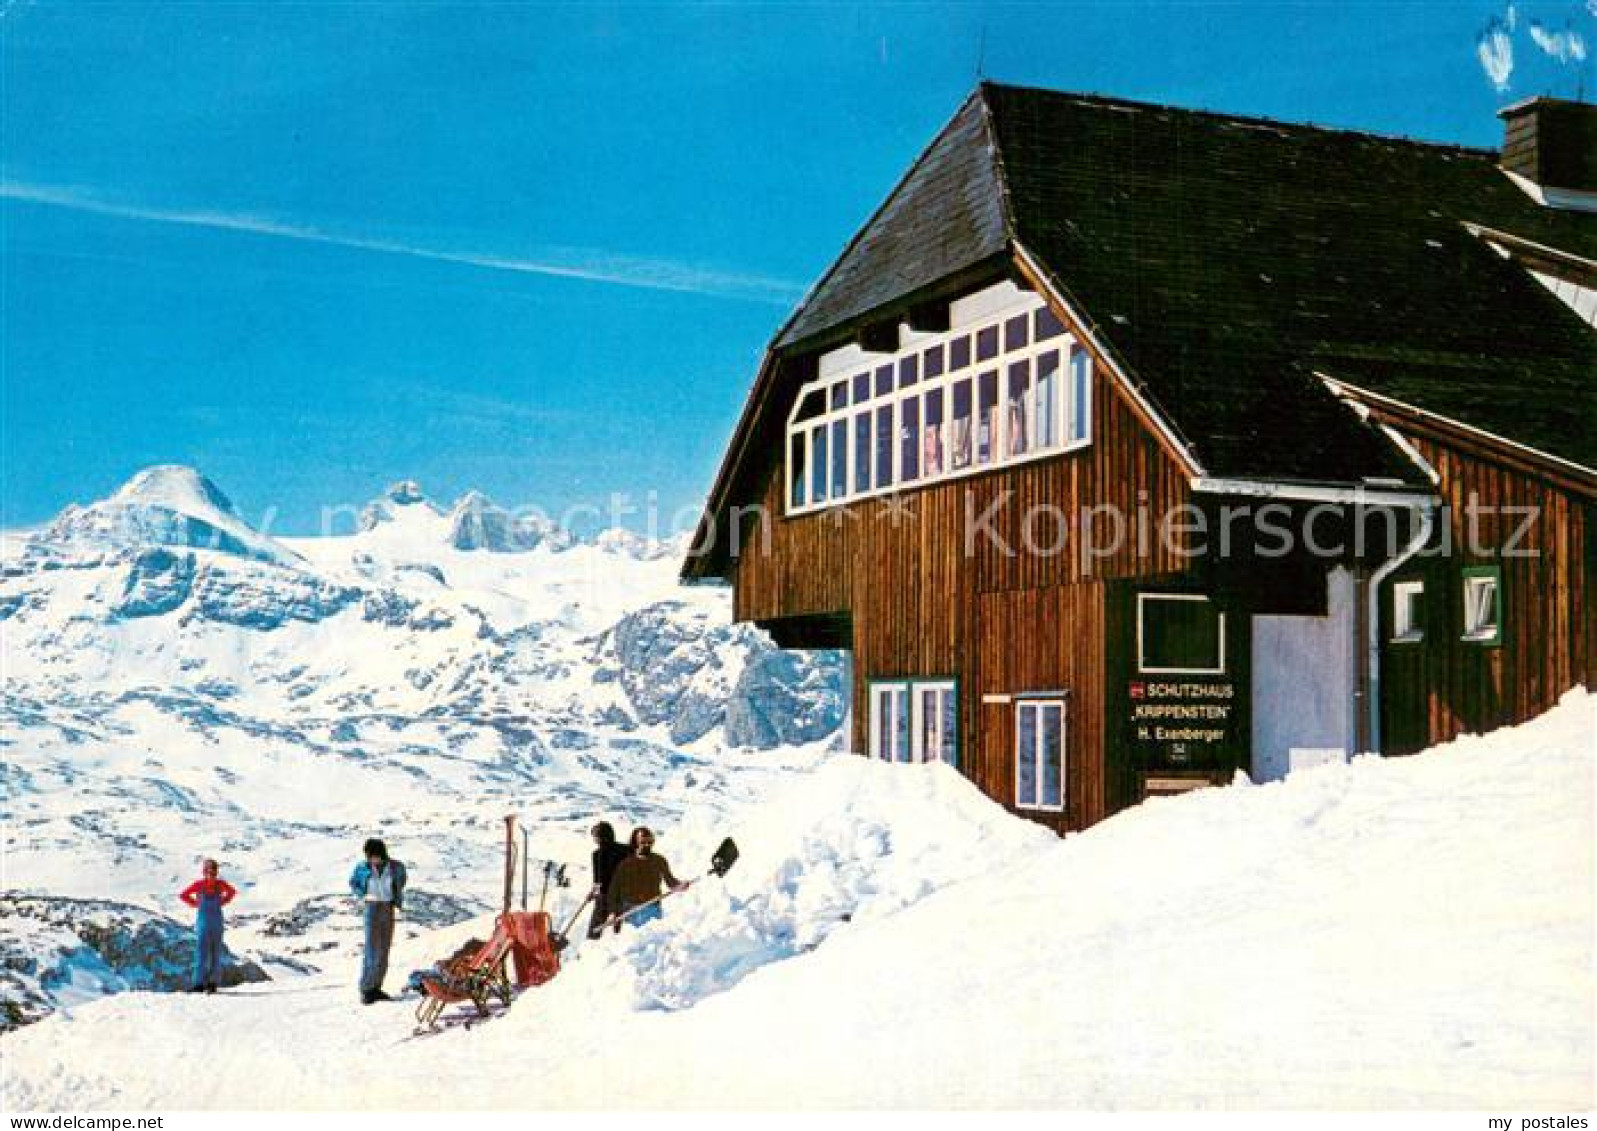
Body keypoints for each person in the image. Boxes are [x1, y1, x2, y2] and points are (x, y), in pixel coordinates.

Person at [348, 837, 407, 1005]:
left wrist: (394, 894)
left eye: (375, 856)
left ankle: (377, 987)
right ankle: (366, 989)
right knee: (371, 949)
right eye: (369, 856)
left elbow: (401, 881)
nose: (372, 859)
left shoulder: (396, 867)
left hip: (387, 907)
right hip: (371, 908)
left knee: (384, 948)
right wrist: (363, 895)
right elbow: (353, 883)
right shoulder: (362, 868)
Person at [605, 826, 687, 931]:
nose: (647, 845)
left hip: (652, 909)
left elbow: (670, 881)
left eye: (650, 842)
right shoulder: (625, 863)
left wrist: (680, 885)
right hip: (630, 911)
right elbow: (614, 890)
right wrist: (612, 912)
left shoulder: (659, 860)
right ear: (635, 842)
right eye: (643, 842)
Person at [179, 858, 237, 994]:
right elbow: (183, 895)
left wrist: (223, 901)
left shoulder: (220, 884)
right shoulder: (199, 885)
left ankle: (212, 984)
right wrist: (195, 904)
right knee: (201, 953)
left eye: (213, 870)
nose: (211, 873)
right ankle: (199, 984)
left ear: (216, 871)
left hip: (216, 921)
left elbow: (232, 892)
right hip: (204, 922)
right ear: (204, 871)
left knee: (216, 953)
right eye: (208, 870)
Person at [586, 821, 632, 940]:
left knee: (595, 927)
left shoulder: (597, 854)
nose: (594, 840)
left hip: (605, 897)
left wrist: (593, 893)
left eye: (595, 837)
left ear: (600, 837)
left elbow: (599, 881)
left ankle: (591, 944)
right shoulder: (626, 849)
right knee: (620, 927)